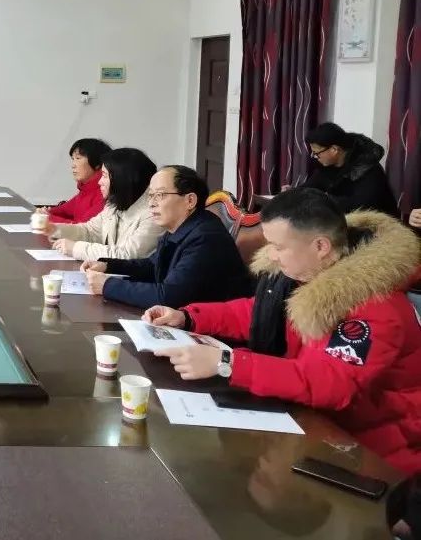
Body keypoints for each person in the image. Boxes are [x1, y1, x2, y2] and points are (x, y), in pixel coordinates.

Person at [145, 188, 421, 473]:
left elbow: (330, 384)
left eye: (278, 247)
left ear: (320, 246)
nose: (272, 256)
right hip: (314, 421)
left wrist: (229, 363)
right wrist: (188, 317)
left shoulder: (376, 306)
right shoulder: (312, 274)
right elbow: (258, 314)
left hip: (374, 450)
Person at [82, 165, 252, 309]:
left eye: (160, 195)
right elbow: (153, 265)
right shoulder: (180, 227)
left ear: (190, 201)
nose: (151, 203)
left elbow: (168, 297)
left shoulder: (206, 238)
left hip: (211, 331)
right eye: (150, 195)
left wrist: (107, 285)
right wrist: (108, 266)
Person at [48, 147, 163, 261]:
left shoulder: (154, 213)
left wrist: (75, 248)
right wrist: (55, 229)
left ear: (121, 179)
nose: (99, 182)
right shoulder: (114, 204)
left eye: (104, 175)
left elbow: (127, 255)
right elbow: (89, 231)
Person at [296, 122, 398, 216]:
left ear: (334, 150)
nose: (314, 156)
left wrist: (323, 200)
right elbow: (308, 189)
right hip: (341, 220)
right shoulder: (326, 167)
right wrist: (292, 194)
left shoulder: (368, 169)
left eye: (316, 153)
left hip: (375, 224)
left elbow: (362, 206)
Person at [40, 138, 111, 224]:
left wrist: (47, 217)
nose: (73, 165)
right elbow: (63, 210)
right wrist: (45, 212)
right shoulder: (85, 190)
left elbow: (84, 228)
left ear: (97, 163)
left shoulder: (104, 193)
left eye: (78, 158)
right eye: (73, 159)